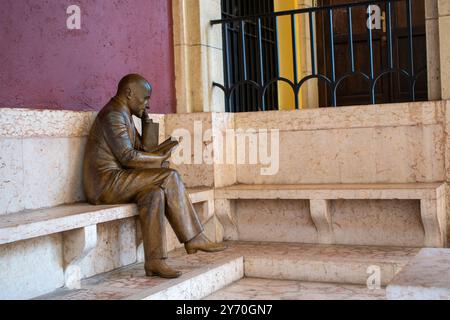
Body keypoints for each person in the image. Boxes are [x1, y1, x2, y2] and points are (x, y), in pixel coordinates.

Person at [83, 74, 226, 278]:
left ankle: (155, 261)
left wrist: (146, 121)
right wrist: (160, 161)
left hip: (118, 180)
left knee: (154, 194)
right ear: (129, 93)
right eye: (145, 98)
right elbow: (127, 157)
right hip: (105, 184)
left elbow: (144, 149)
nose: (148, 103)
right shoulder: (113, 115)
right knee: (170, 176)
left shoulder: (125, 115)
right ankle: (193, 237)